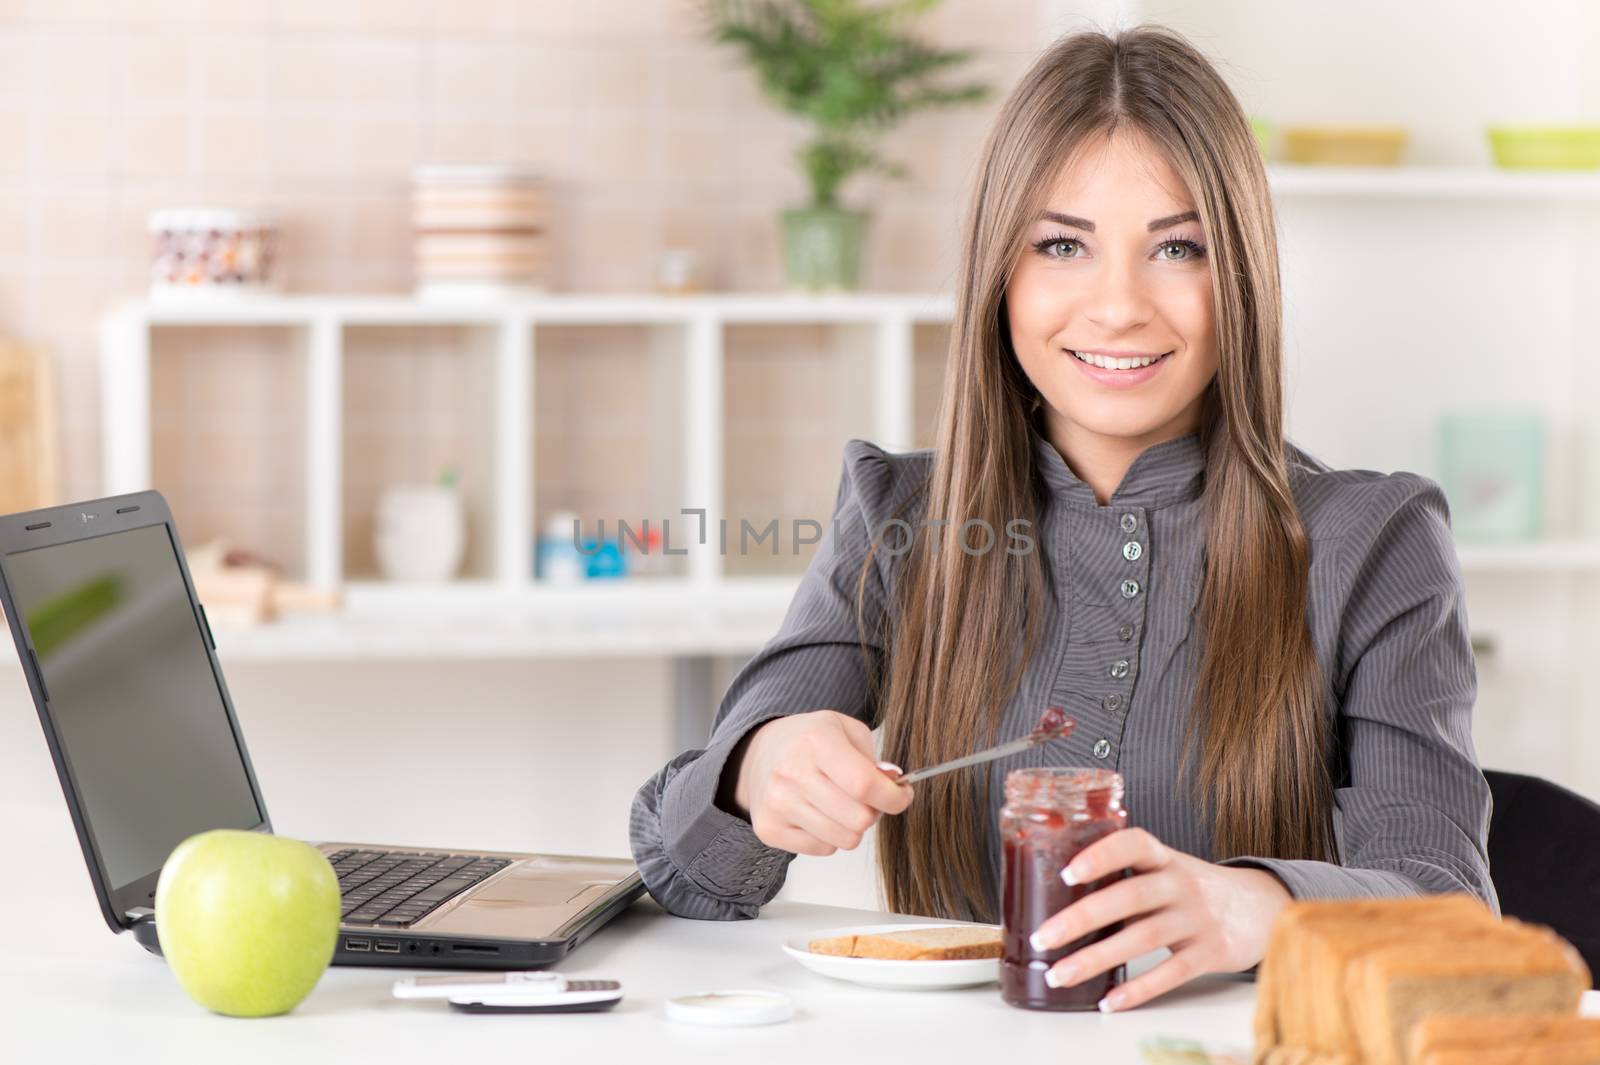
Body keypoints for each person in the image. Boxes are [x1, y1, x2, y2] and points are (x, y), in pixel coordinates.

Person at [628, 23, 1495, 1012]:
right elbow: (683, 872)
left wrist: (1255, 907)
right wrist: (758, 770)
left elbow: (1445, 906)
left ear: (1241, 277)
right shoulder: (897, 516)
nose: (1117, 306)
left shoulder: (1374, 541)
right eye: (1061, 245)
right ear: (1000, 276)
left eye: (1177, 247)